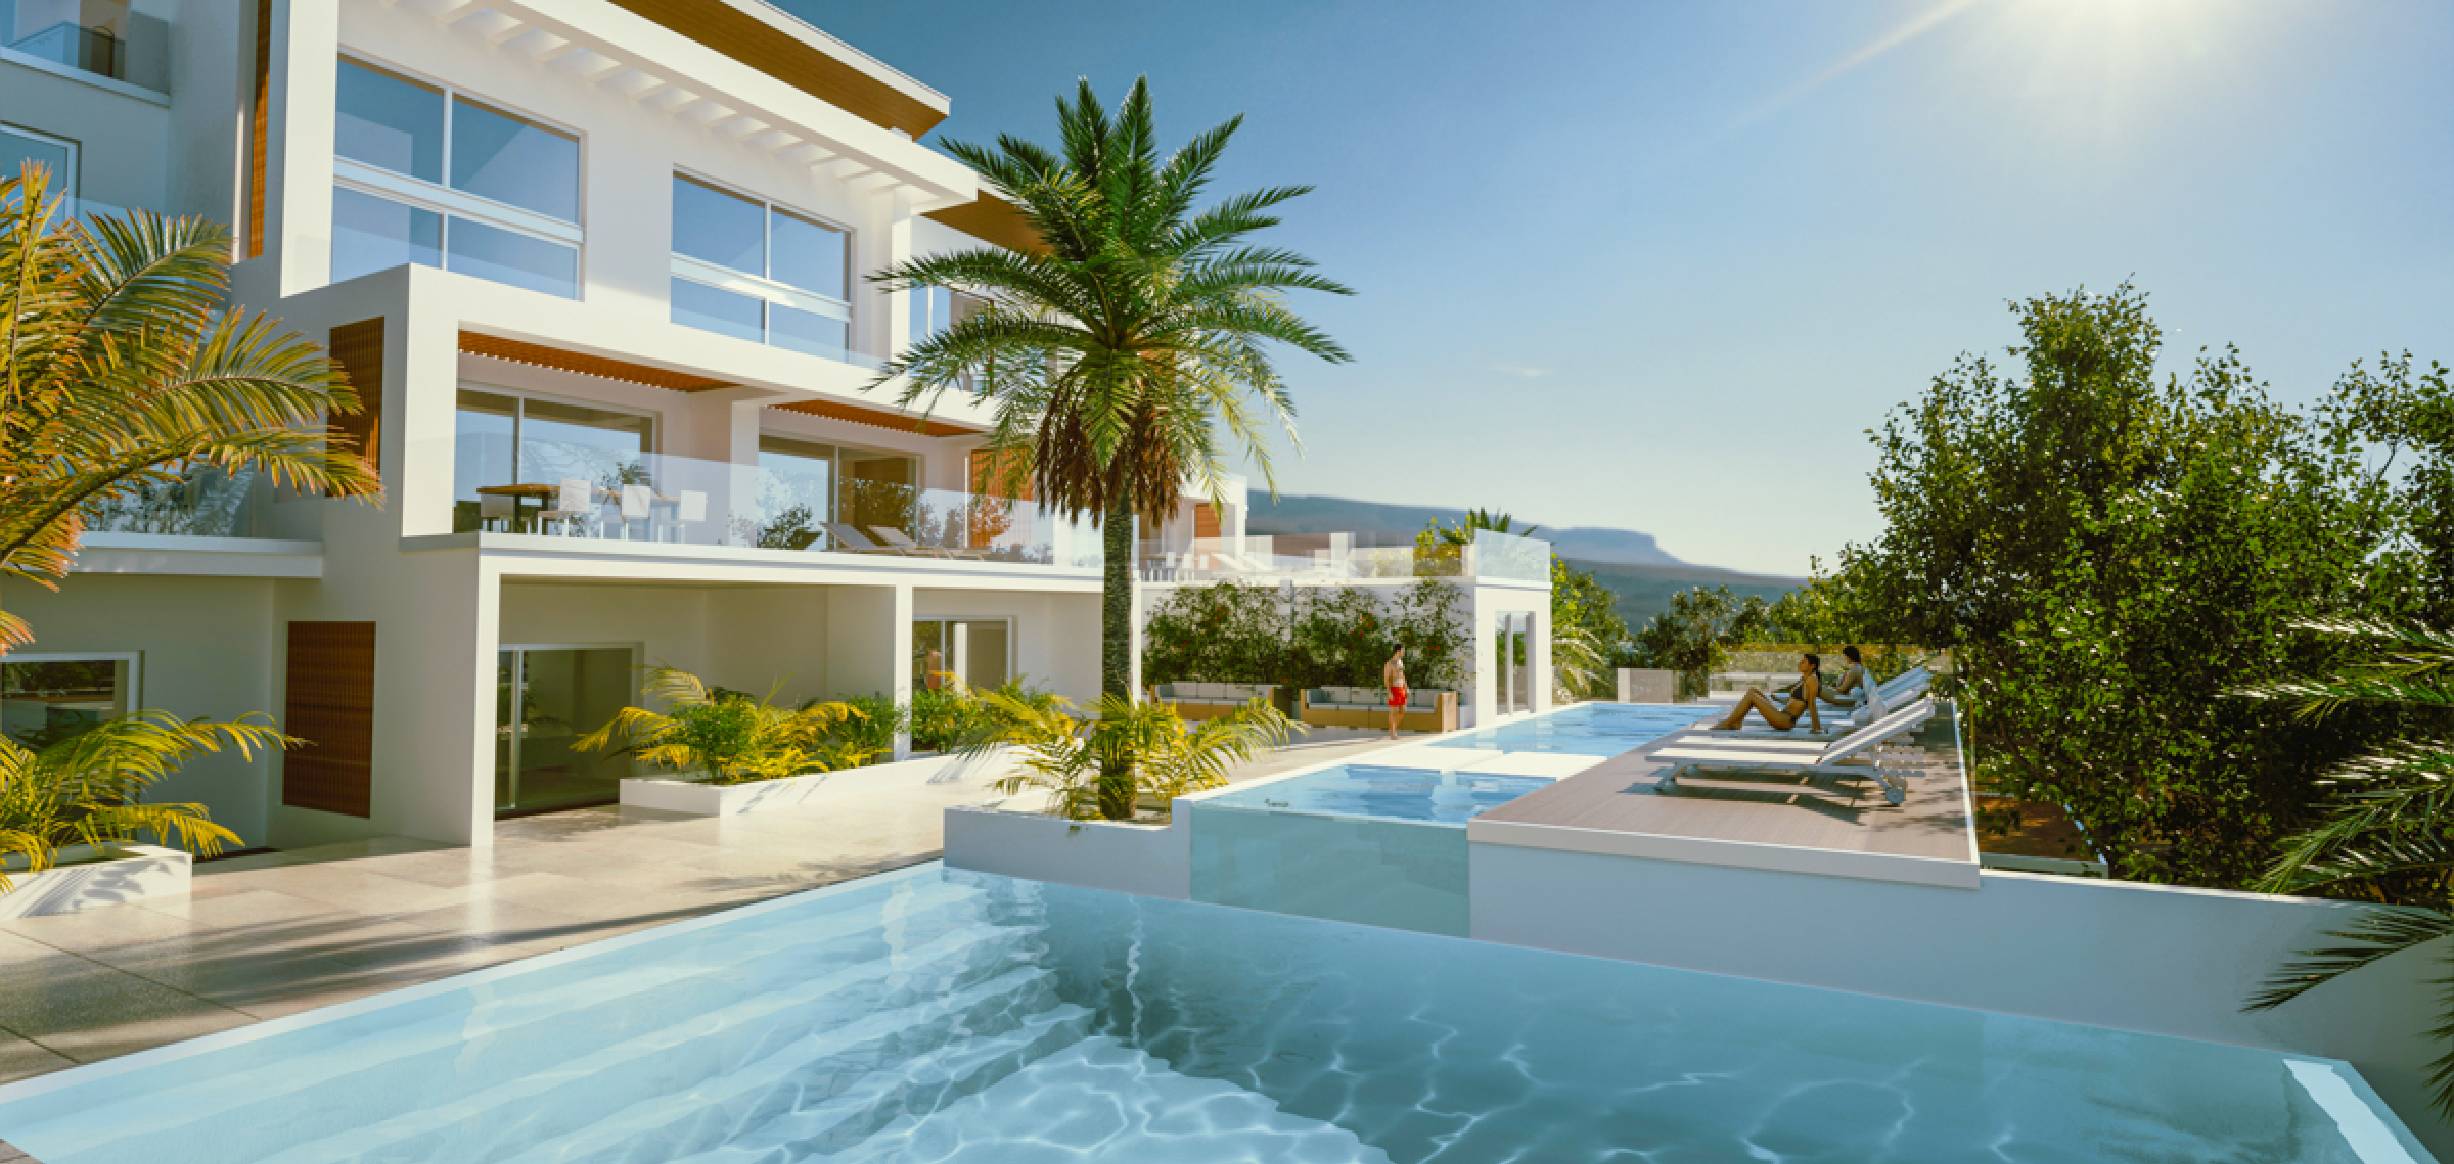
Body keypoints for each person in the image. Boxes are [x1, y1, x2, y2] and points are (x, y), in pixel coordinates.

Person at [1714, 652, 1823, 732]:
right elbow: (1796, 701)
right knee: (1753, 690)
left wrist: (1816, 728)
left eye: (1804, 662)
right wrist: (1776, 699)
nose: (1800, 663)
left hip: (1785, 721)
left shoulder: (1812, 679)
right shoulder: (1804, 679)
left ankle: (1728, 723)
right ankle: (1737, 722)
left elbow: (1811, 704)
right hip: (1782, 715)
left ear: (1812, 666)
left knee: (1752, 695)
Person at [1820, 646, 1869, 710]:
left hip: (1849, 700)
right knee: (1819, 687)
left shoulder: (1854, 670)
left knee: (1816, 688)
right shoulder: (1860, 668)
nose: (1843, 658)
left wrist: (1830, 688)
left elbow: (1842, 689)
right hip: (1851, 698)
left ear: (1848, 656)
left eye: (1844, 656)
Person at [1383, 646, 1409, 740]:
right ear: (1398, 651)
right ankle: (1393, 732)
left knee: (1403, 711)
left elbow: (1403, 676)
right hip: (1393, 689)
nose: (1404, 652)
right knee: (1393, 712)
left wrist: (1406, 687)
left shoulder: (1400, 662)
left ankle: (1393, 729)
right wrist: (1389, 692)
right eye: (1403, 650)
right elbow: (1386, 679)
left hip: (1401, 688)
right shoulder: (1390, 663)